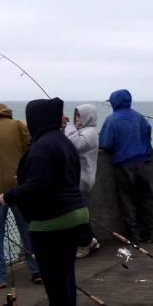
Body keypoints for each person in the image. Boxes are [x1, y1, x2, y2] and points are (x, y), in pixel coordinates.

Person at [0, 98, 88, 306]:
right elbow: (60, 177)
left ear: (34, 119)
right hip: (74, 213)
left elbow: (38, 186)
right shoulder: (63, 142)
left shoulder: (41, 147)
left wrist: (8, 195)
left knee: (54, 279)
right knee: (66, 275)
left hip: (52, 221)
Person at [0, 103, 41, 287]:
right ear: (6, 113)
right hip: (18, 189)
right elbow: (31, 148)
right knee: (29, 229)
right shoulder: (17, 125)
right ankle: (37, 270)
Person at [99, 89, 153, 244]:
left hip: (124, 165)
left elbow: (105, 143)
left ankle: (134, 236)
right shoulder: (140, 118)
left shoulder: (111, 120)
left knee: (127, 200)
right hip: (143, 163)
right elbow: (148, 134)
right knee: (146, 199)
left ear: (114, 103)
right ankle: (149, 234)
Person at [63, 104, 101, 258]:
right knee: (79, 211)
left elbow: (74, 144)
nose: (77, 119)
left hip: (82, 178)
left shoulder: (90, 132)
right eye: (76, 116)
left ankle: (86, 242)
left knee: (78, 213)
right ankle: (89, 240)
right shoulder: (84, 132)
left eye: (80, 116)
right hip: (79, 177)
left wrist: (68, 125)